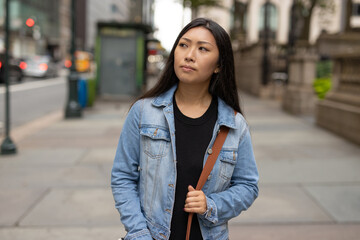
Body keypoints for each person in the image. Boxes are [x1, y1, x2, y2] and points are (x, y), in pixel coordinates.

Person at [111, 18, 259, 240]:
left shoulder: (234, 124)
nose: (189, 55)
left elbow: (248, 186)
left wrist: (212, 204)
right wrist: (139, 233)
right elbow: (123, 177)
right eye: (183, 45)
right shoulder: (143, 112)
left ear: (219, 64)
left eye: (202, 49)